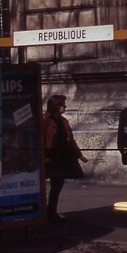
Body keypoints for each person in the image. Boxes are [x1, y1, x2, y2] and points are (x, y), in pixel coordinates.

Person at [42, 94, 88, 222]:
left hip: (62, 156)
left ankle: (51, 210)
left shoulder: (64, 121)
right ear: (55, 106)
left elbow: (71, 140)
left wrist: (79, 155)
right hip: (50, 157)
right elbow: (41, 138)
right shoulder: (45, 120)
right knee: (50, 184)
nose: (65, 106)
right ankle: (47, 211)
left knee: (57, 184)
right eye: (62, 104)